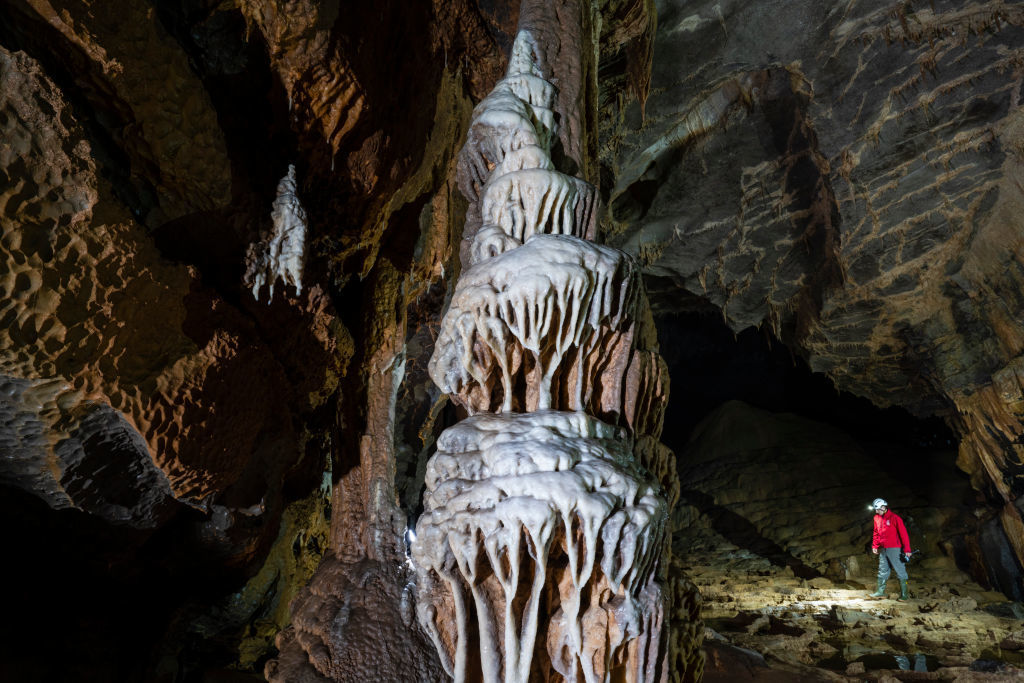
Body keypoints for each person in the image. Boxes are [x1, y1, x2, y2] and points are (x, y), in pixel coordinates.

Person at [868, 498, 912, 600]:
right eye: (875, 510)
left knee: (900, 571)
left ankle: (905, 594)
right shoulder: (876, 518)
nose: (876, 511)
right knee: (882, 570)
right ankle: (880, 592)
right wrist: (875, 546)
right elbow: (876, 532)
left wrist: (907, 549)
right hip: (883, 549)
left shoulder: (895, 518)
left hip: (895, 548)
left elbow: (904, 534)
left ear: (884, 507)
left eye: (878, 509)